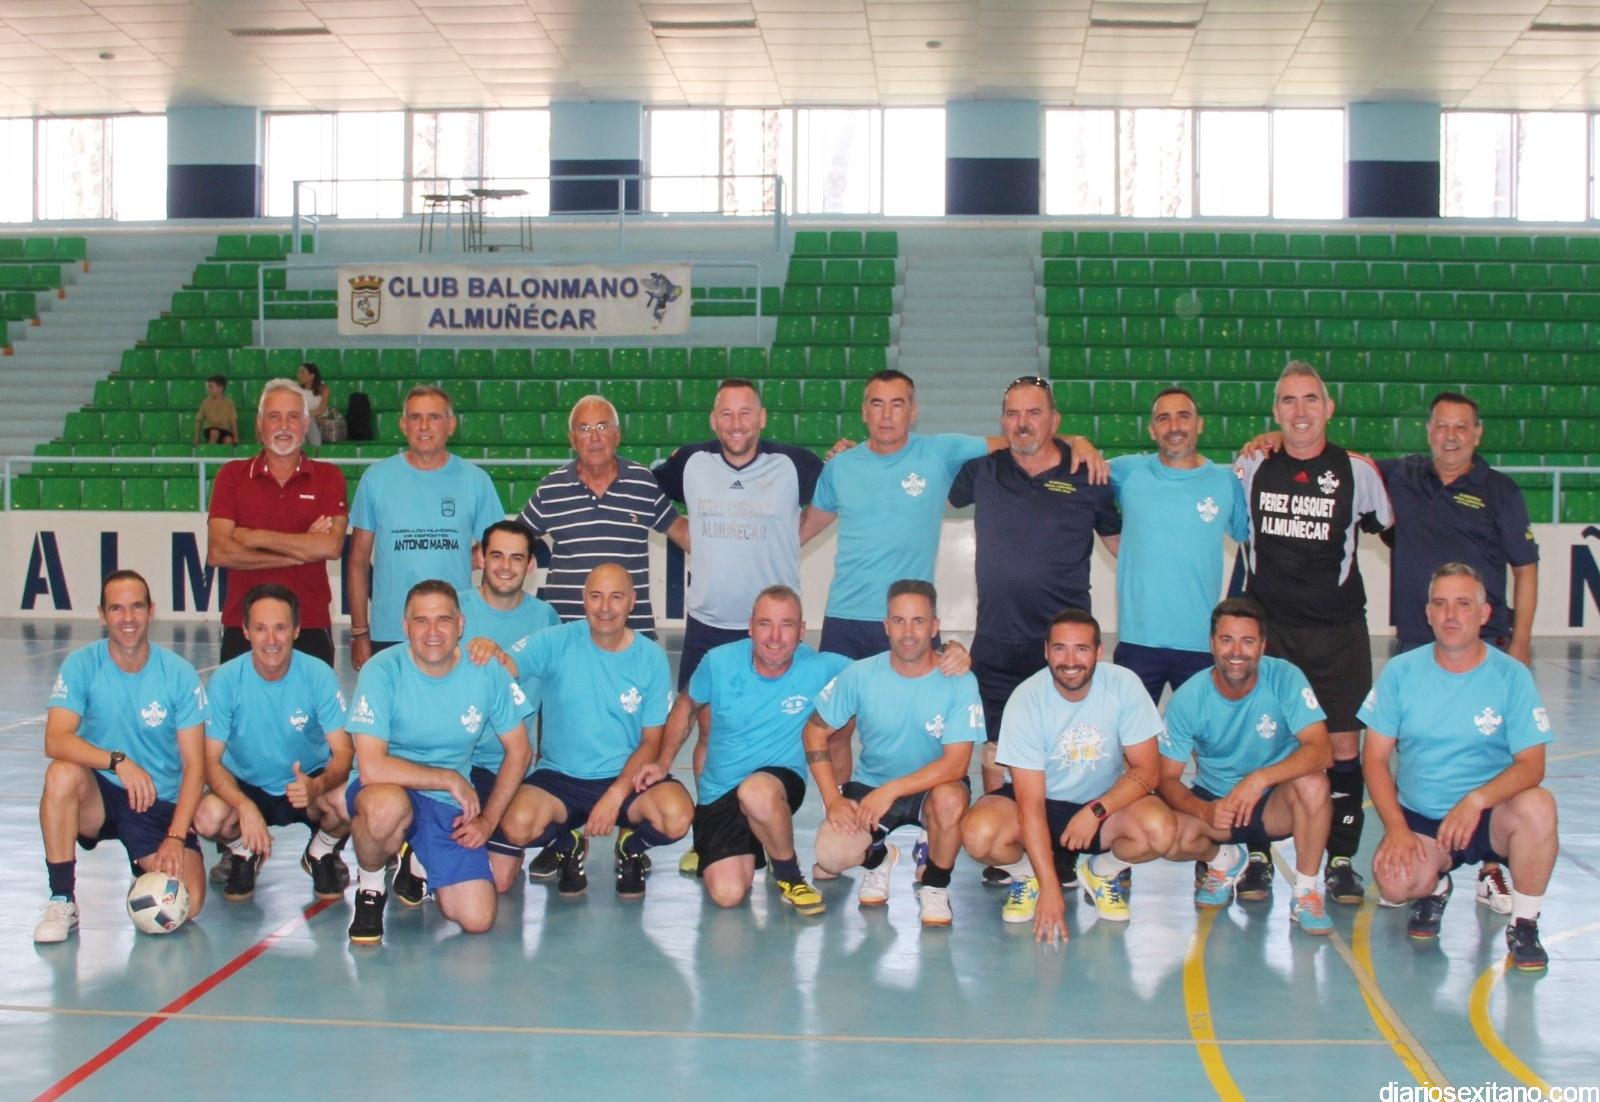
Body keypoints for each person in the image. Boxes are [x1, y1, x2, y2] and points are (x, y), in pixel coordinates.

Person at [1252, 390, 1540, 914]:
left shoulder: (1499, 490)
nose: (1450, 436)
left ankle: (1491, 864)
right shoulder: (1399, 476)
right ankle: (1430, 854)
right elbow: (1329, 460)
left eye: (1462, 427)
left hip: (1484, 641)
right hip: (1417, 638)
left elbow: (1525, 566)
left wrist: (1520, 640)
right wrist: (1282, 439)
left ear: (1477, 434)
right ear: (1428, 431)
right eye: (1441, 426)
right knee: (1420, 753)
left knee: (1487, 746)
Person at [800, 369, 1105, 662]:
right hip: (845, 617)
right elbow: (804, 531)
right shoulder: (840, 467)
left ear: (913, 412)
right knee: (838, 701)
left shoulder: (941, 452)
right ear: (864, 412)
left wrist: (1076, 440)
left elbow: (1020, 438)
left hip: (913, 619)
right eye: (877, 404)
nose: (887, 415)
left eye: (898, 404)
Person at [948, 375, 1120, 884]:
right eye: (1013, 414)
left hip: (1064, 651)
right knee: (997, 751)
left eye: (1034, 413)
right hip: (997, 641)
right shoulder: (982, 471)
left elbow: (1120, 546)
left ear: (1055, 420)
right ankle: (1012, 850)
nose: (1023, 424)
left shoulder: (1088, 475)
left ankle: (1067, 843)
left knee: (1066, 749)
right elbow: (918, 470)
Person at [1234, 361, 1393, 905]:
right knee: (1264, 743)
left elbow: (1393, 532)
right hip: (1271, 635)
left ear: (1329, 408)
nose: (1299, 411)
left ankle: (1341, 861)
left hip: (1338, 634)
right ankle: (1257, 855)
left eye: (1309, 400)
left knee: (1344, 747)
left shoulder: (1358, 471)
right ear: (1275, 412)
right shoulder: (1251, 465)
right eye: (1288, 401)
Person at [652, 378, 823, 872]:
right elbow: (647, 495)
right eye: (726, 414)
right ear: (713, 419)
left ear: (762, 418)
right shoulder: (691, 462)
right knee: (709, 733)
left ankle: (763, 826)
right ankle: (710, 833)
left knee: (770, 734)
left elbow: (838, 493)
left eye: (746, 413)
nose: (736, 424)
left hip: (773, 631)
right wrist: (687, 535)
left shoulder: (794, 463)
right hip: (710, 622)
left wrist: (792, 536)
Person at [1360, 564, 1558, 972]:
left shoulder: (1512, 676)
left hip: (1492, 816)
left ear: (1484, 614)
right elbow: (1374, 759)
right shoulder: (1400, 672)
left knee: (1539, 807)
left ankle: (1524, 923)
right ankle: (1435, 884)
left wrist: (1476, 800)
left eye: (1463, 604)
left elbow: (1532, 766)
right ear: (1428, 613)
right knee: (1394, 884)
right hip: (1425, 818)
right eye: (1440, 604)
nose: (1450, 615)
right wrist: (1396, 829)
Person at [958, 609, 1174, 941]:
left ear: (1099, 651)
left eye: (1081, 649)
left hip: (1102, 804)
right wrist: (1049, 888)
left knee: (1161, 830)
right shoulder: (1026, 700)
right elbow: (1030, 804)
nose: (1070, 660)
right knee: (977, 833)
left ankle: (1101, 872)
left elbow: (1148, 770)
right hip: (1042, 802)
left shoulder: (1124, 686)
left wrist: (1097, 810)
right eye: (1060, 648)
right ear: (1046, 651)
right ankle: (1026, 876)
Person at [343, 580, 532, 944]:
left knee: (478, 918)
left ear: (461, 625)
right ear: (405, 626)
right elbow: (372, 767)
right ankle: (371, 888)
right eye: (421, 620)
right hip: (388, 787)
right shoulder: (381, 671)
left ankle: (415, 858)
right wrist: (447, 778)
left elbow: (520, 750)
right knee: (384, 810)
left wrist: (488, 821)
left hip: (447, 803)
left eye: (443, 620)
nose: (432, 631)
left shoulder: (486, 671)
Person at [495, 563, 693, 899]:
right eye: (596, 596)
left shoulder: (650, 658)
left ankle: (631, 847)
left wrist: (615, 795)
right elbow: (504, 668)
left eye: (616, 597)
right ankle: (567, 845)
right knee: (516, 825)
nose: (605, 608)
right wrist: (489, 652)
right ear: (584, 599)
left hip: (627, 776)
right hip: (560, 777)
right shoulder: (555, 641)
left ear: (632, 601)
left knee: (677, 816)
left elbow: (651, 742)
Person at [645, 585, 846, 914]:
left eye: (787, 625)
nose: (775, 637)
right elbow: (686, 706)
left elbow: (883, 671)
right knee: (728, 894)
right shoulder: (719, 662)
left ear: (801, 631)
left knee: (756, 792)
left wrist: (937, 658)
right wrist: (663, 761)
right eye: (765, 624)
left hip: (777, 784)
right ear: (750, 627)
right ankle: (761, 840)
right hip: (720, 793)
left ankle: (789, 875)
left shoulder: (823, 667)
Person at [34, 571, 208, 943]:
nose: (127, 618)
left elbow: (196, 766)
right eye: (116, 608)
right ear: (102, 614)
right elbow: (55, 740)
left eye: (136, 607)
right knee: (61, 774)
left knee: (187, 904)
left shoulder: (178, 674)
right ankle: (62, 898)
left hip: (158, 804)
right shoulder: (82, 664)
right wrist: (117, 762)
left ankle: (143, 864)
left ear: (151, 611)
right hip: (102, 797)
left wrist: (176, 836)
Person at [802, 580, 985, 927]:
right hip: (872, 784)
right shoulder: (860, 674)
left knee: (949, 802)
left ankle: (935, 884)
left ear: (935, 626)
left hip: (933, 788)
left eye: (919, 621)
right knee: (831, 855)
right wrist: (832, 799)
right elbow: (814, 731)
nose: (908, 633)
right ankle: (878, 860)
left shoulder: (960, 680)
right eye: (899, 621)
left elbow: (957, 764)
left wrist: (892, 790)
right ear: (886, 625)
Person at [1156, 598, 1334, 934]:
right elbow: (1166, 779)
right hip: (1218, 805)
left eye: (1248, 641)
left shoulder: (1285, 678)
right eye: (1227, 640)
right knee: (1162, 833)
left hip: (1274, 802)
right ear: (1212, 644)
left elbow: (1322, 750)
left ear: (1263, 646)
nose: (1236, 652)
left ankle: (1305, 893)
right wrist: (1204, 811)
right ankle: (1223, 861)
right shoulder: (1188, 698)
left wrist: (1260, 779)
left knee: (1314, 783)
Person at [192, 584, 352, 901]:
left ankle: (321, 851)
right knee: (206, 817)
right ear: (246, 631)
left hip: (306, 782)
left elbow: (345, 751)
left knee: (350, 800)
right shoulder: (226, 680)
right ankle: (244, 851)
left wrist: (317, 786)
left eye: (280, 628)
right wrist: (244, 806)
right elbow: (209, 760)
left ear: (296, 630)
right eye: (260, 628)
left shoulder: (318, 674)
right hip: (247, 783)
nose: (271, 640)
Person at [347, 385, 505, 671]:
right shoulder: (376, 479)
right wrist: (359, 632)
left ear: (451, 425)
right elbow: (357, 561)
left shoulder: (476, 481)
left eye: (433, 417)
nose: (423, 426)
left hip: (452, 633)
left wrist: (463, 559)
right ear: (402, 424)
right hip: (390, 631)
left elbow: (496, 555)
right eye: (415, 417)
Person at [1109, 387, 1250, 703]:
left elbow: (1250, 539)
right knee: (1130, 734)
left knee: (1204, 732)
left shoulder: (1225, 482)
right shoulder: (1127, 472)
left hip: (1200, 642)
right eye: (1164, 418)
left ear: (1199, 424)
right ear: (1151, 429)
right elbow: (1074, 466)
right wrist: (1077, 441)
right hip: (1138, 641)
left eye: (1183, 417)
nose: (1174, 427)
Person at [519, 394, 690, 634]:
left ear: (617, 435)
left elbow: (681, 532)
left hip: (632, 633)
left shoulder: (643, 482)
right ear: (572, 439)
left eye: (602, 426)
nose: (594, 437)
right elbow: (513, 540)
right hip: (567, 635)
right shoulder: (551, 488)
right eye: (584, 428)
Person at [207, 378, 348, 667]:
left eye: (293, 416)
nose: (284, 426)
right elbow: (219, 552)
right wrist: (300, 553)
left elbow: (331, 546)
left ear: (306, 423)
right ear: (259, 424)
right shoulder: (231, 476)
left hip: (310, 622)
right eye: (274, 416)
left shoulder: (329, 477)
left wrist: (256, 537)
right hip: (243, 625)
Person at [454, 521, 560, 893]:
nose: (505, 566)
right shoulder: (453, 610)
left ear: (530, 565)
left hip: (510, 765)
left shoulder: (545, 618)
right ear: (480, 558)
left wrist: (548, 762)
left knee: (499, 882)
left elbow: (554, 698)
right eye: (496, 555)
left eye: (516, 558)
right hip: (454, 761)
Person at [195, 374, 239, 445]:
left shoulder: (229, 402)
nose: (208, 389)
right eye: (208, 387)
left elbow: (233, 420)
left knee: (228, 440)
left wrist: (236, 437)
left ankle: (223, 451)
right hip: (211, 429)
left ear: (220, 388)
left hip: (225, 429)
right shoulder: (206, 402)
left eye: (211, 387)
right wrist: (197, 437)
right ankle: (210, 451)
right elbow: (198, 419)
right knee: (214, 432)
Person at [297, 362, 332, 446]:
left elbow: (321, 410)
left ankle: (315, 446)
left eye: (302, 372)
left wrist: (306, 416)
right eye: (299, 372)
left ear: (311, 376)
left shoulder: (324, 389)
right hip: (304, 421)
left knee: (308, 421)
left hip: (321, 422)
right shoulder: (296, 389)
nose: (298, 375)